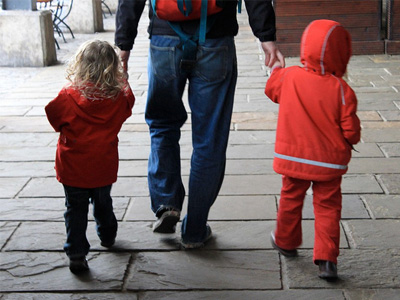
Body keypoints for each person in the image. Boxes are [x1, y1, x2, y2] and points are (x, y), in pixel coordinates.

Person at [115, 0, 284, 249]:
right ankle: (194, 229)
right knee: (210, 139)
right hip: (217, 40)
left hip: (165, 39)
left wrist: (123, 44)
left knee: (163, 125)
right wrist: (266, 36)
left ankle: (166, 202)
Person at [265, 19, 361, 280]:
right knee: (328, 207)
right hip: (329, 165)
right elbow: (351, 131)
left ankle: (285, 241)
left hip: (293, 159)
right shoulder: (343, 90)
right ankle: (327, 260)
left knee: (290, 197)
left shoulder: (290, 76)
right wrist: (351, 139)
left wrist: (276, 68)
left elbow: (271, 89)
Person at [45, 39, 135, 274]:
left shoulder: (67, 95)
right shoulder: (118, 99)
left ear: (80, 65)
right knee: (103, 202)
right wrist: (123, 79)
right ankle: (107, 234)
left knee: (75, 210)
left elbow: (54, 119)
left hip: (73, 168)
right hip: (103, 166)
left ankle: (76, 253)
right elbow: (129, 103)